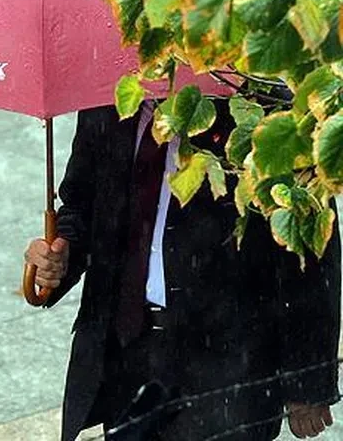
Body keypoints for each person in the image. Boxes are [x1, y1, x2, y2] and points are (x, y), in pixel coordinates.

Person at [25, 99, 340, 440]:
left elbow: (309, 253)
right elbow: (82, 206)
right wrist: (59, 255)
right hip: (130, 355)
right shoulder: (106, 103)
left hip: (227, 365)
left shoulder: (257, 108)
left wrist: (307, 381)